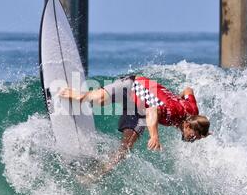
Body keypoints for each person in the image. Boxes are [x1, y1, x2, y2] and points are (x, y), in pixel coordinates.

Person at [59, 75, 211, 183]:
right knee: (100, 101)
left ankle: (93, 175)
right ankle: (80, 95)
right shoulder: (172, 111)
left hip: (139, 109)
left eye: (196, 139)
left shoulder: (193, 111)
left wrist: (176, 96)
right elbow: (152, 111)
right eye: (193, 136)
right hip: (135, 86)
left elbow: (188, 90)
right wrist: (154, 136)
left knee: (124, 150)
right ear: (187, 125)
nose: (192, 139)